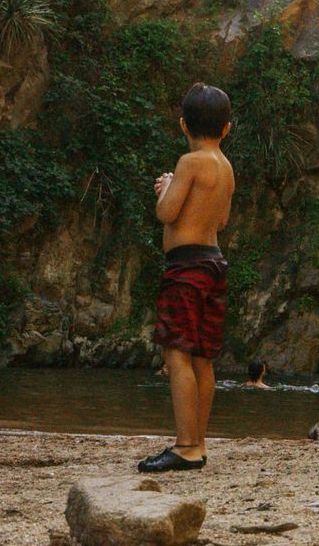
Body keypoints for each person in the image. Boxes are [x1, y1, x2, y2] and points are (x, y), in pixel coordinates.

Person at [138, 83, 235, 473]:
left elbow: (167, 213)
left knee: (177, 355)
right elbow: (222, 221)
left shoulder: (190, 162)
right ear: (226, 129)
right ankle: (199, 442)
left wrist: (164, 190)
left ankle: (185, 446)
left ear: (183, 125)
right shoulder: (225, 167)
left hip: (186, 267)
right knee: (202, 359)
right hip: (214, 263)